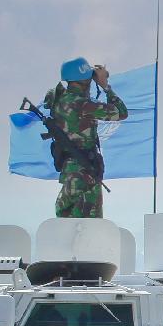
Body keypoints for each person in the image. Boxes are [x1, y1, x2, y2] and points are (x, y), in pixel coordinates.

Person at [45, 57, 128, 219]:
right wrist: (105, 86)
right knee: (88, 229)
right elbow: (121, 112)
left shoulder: (60, 100)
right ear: (82, 79)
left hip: (70, 172)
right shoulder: (82, 104)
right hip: (84, 175)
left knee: (67, 223)